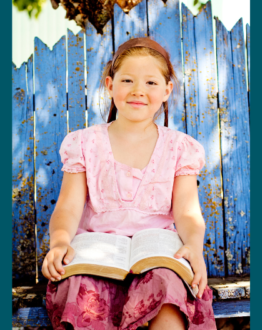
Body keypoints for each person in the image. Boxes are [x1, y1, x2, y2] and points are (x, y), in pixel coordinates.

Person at [42, 37, 217, 330]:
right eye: (127, 80)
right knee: (81, 291)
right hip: (96, 256)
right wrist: (60, 240)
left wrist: (194, 247)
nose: (138, 91)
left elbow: (187, 211)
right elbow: (69, 206)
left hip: (155, 255)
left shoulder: (180, 148)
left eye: (151, 83)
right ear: (110, 86)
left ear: (166, 91)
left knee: (168, 288)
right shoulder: (84, 143)